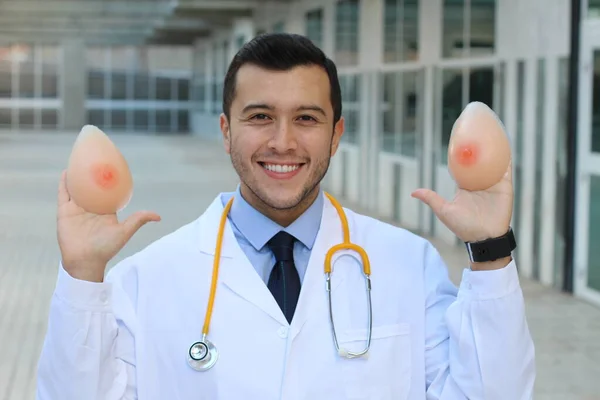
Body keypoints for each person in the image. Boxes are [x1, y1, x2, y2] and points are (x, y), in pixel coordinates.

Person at [36, 33, 535, 399]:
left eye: (306, 118)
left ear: (336, 134)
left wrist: (490, 255)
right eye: (259, 117)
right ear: (226, 131)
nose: (283, 142)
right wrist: (82, 277)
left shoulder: (408, 264)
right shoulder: (144, 280)